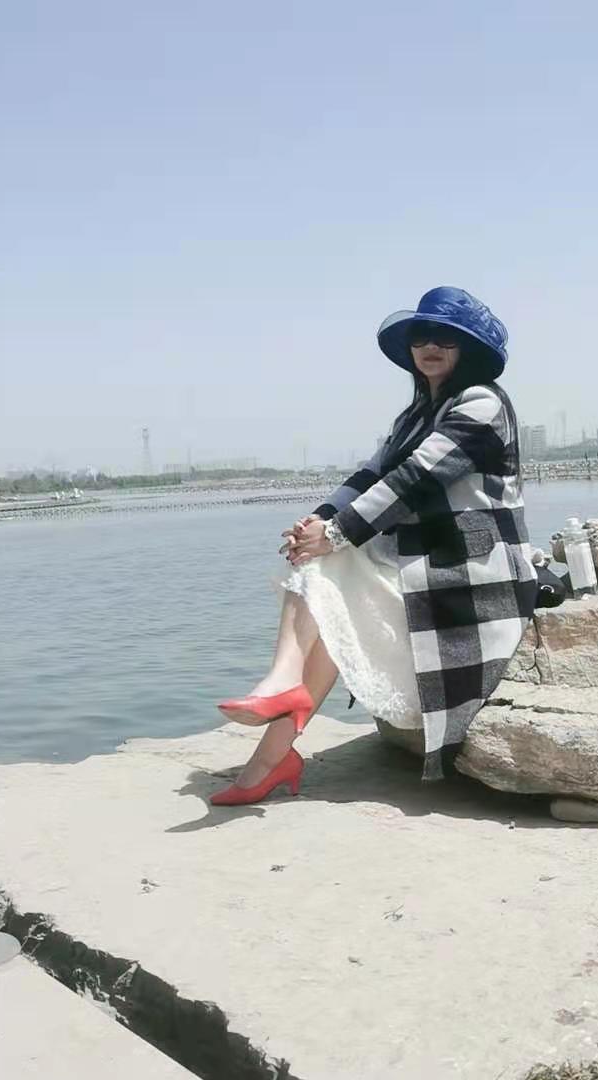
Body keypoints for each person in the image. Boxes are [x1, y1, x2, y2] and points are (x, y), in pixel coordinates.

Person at [211, 286, 537, 805]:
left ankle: (273, 735)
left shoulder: (483, 402)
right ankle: (274, 733)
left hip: (472, 570)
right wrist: (317, 519)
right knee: (324, 587)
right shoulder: (414, 415)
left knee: (328, 577)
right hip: (420, 558)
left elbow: (415, 478)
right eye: (421, 336)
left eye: (446, 338)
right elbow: (370, 475)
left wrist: (335, 534)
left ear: (470, 349)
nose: (430, 347)